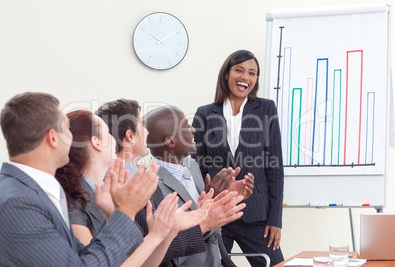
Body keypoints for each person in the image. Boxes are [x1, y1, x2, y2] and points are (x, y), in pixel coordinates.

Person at [0, 92, 158, 266]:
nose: (72, 139)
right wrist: (124, 212)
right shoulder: (18, 203)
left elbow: (84, 257)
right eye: (67, 130)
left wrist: (114, 216)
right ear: (53, 138)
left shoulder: (33, 192)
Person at [96, 99, 254, 267]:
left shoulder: (182, 168)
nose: (147, 133)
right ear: (130, 135)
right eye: (142, 124)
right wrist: (205, 218)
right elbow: (153, 250)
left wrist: (214, 202)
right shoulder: (138, 183)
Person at [55, 110, 205, 267]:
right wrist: (131, 217)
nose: (114, 138)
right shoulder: (73, 204)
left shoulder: (104, 195)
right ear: (96, 142)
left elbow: (141, 263)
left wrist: (164, 233)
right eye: (107, 131)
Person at [192, 50, 285, 266]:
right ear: (227, 74)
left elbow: (275, 168)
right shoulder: (205, 113)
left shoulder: (265, 108)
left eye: (252, 73)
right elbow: (197, 167)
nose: (246, 77)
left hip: (256, 214)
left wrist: (275, 219)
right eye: (239, 70)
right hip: (217, 213)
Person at [145, 105, 252, 267]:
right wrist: (208, 211)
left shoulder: (191, 165)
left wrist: (222, 198)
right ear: (170, 141)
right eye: (186, 126)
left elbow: (211, 225)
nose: (193, 130)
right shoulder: (151, 185)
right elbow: (168, 253)